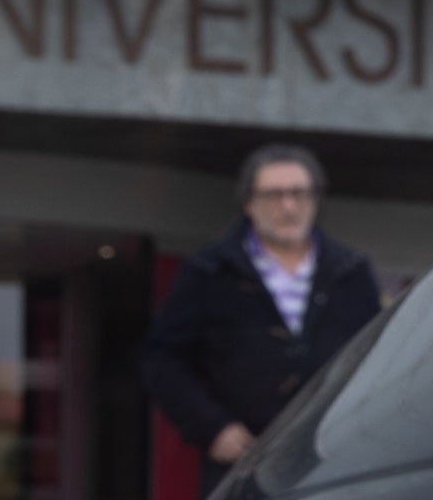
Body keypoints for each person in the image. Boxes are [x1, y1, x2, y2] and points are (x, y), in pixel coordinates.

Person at [143, 143, 384, 468]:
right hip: (240, 466)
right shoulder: (209, 272)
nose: (288, 206)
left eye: (299, 193)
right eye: (273, 195)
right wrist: (212, 428)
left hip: (331, 459)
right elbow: (163, 361)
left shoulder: (351, 272)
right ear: (248, 203)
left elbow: (378, 358)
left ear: (315, 200)